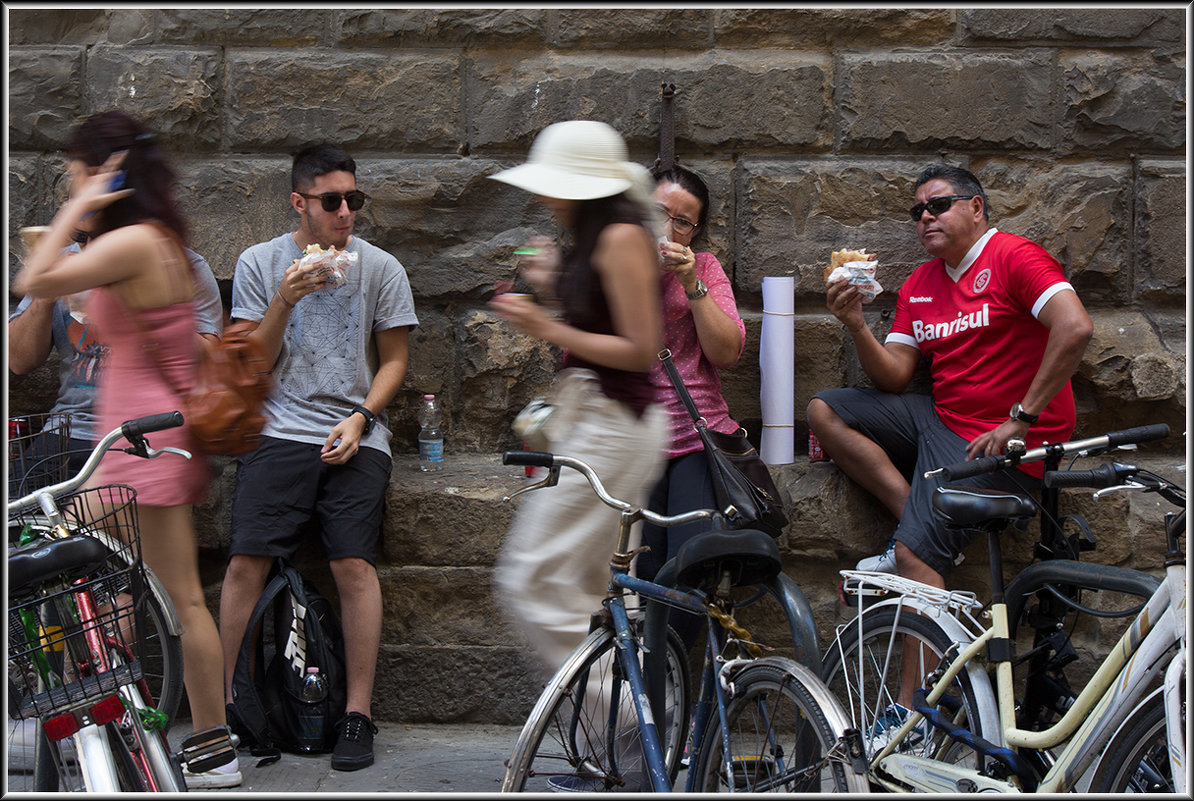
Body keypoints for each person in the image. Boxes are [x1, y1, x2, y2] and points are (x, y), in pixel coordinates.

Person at [12, 110, 240, 788]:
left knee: (55, 562)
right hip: (144, 442)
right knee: (153, 590)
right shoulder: (156, 240)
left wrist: (79, 207)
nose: (71, 185)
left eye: (79, 171)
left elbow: (34, 278)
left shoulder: (138, 241)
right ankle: (177, 733)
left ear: (110, 174)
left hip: (138, 446)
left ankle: (186, 737)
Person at [218, 143, 418, 772]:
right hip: (278, 429)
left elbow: (394, 362)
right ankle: (228, 706)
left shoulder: (381, 267)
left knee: (354, 564)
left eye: (353, 199)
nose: (345, 213)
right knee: (247, 560)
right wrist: (285, 299)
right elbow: (253, 362)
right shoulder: (262, 262)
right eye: (331, 201)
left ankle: (357, 713)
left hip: (356, 431)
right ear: (299, 202)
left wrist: (362, 418)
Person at [808, 163, 1094, 590]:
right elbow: (894, 378)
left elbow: (1075, 327)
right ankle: (916, 519)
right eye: (918, 211)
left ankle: (917, 546)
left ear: (976, 207)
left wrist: (1021, 417)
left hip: (1007, 441)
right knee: (824, 410)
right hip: (941, 420)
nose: (925, 216)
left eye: (939, 205)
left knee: (913, 556)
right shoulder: (919, 283)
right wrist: (856, 324)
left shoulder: (1014, 256)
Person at [488, 120, 669, 675]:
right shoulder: (598, 233)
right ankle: (624, 739)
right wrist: (554, 281)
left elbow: (641, 349)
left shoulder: (619, 236)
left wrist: (546, 326)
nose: (543, 194)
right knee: (596, 591)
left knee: (531, 577)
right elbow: (602, 310)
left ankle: (626, 733)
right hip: (600, 420)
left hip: (616, 426)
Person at [8, 224, 222, 483]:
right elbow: (18, 361)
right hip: (71, 428)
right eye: (80, 237)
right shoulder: (64, 261)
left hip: (146, 430)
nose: (88, 248)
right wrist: (46, 296)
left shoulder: (182, 265)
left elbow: (210, 363)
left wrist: (139, 299)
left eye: (100, 237)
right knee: (21, 512)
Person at [637, 164, 746, 649]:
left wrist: (690, 284)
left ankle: (671, 697)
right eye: (659, 212)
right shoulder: (612, 265)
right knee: (637, 576)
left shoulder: (704, 269)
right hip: (631, 444)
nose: (669, 228)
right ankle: (643, 702)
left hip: (693, 439)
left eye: (683, 221)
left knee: (686, 577)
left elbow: (728, 352)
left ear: (695, 231)